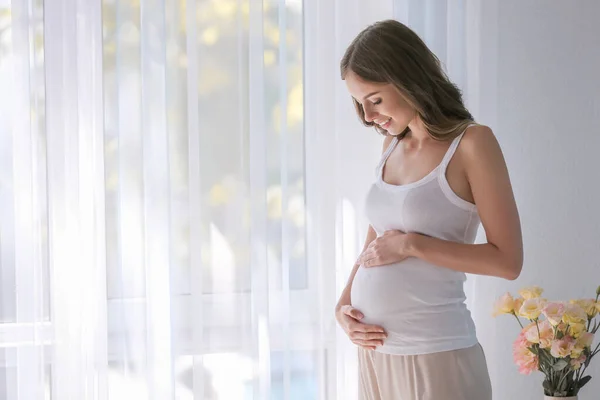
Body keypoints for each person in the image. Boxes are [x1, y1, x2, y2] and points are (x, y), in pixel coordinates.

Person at [334, 20, 523, 400]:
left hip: (435, 353)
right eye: (360, 103)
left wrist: (411, 246)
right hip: (374, 352)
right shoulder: (390, 144)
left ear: (407, 78)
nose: (368, 116)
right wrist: (344, 305)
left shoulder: (472, 143)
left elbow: (507, 261)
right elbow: (378, 238)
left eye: (375, 99)